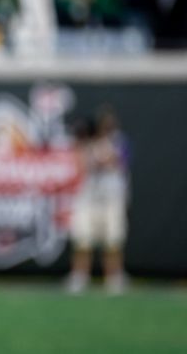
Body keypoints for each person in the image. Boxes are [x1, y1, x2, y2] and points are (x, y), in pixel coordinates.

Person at [66, 109, 130, 294]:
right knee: (83, 238)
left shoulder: (118, 142)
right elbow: (81, 164)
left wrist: (101, 157)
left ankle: (114, 277)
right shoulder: (86, 146)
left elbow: (118, 161)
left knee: (113, 239)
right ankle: (79, 276)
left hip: (110, 198)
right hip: (89, 199)